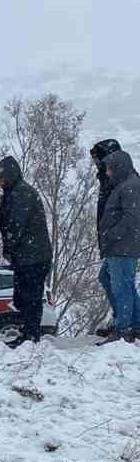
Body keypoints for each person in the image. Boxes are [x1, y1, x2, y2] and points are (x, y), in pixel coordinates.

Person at [0, 156, 52, 347]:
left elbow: (16, 225)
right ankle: (28, 333)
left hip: (32, 257)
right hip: (27, 255)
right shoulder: (14, 192)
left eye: (1, 178)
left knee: (29, 298)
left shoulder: (21, 194)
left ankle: (31, 335)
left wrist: (9, 247)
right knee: (23, 297)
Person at [96, 149, 140, 344]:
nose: (107, 173)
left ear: (119, 167)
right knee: (109, 279)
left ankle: (124, 329)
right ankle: (135, 322)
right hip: (119, 247)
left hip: (123, 247)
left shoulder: (130, 186)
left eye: (110, 169)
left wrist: (110, 234)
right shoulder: (124, 184)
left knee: (122, 287)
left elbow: (132, 219)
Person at [91, 138, 123, 337]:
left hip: (120, 241)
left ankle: (126, 319)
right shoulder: (107, 178)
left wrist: (112, 235)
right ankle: (122, 316)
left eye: (97, 158)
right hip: (112, 238)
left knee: (120, 282)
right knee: (110, 278)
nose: (95, 163)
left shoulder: (117, 179)